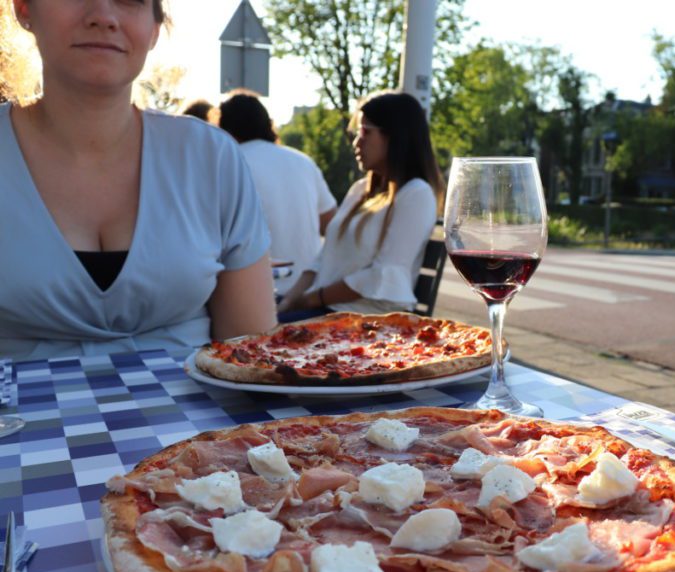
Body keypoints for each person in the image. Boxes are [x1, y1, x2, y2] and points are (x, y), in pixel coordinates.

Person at [0, 0, 276, 361]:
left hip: (204, 416)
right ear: (23, 9)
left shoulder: (212, 158)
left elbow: (252, 359)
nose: (103, 16)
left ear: (155, 29)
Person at [277, 91, 443, 317]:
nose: (356, 142)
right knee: (249, 317)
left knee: (243, 329)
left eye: (365, 132)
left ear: (395, 136)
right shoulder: (360, 190)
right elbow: (323, 259)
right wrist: (288, 300)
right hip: (323, 309)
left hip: (359, 321)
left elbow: (382, 274)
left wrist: (310, 300)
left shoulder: (416, 194)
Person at [218, 90, 336, 292]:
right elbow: (332, 226)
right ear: (268, 124)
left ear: (224, 129)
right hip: (308, 291)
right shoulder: (303, 161)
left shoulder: (226, 164)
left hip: (251, 296)